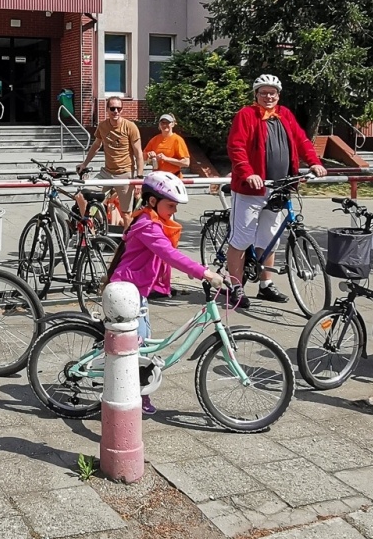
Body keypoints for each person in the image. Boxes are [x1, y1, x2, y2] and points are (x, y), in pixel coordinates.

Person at [106, 172, 228, 413]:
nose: (174, 211)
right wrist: (205, 273)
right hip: (126, 295)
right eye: (170, 205)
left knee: (141, 342)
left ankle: (132, 384)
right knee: (135, 348)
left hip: (136, 292)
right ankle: (133, 394)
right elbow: (170, 255)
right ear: (153, 202)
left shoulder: (152, 222)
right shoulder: (147, 226)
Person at [225, 75, 328, 302]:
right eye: (263, 93)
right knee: (242, 238)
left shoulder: (285, 115)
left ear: (278, 95)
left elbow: (302, 141)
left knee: (269, 236)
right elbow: (236, 146)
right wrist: (248, 172)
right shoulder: (247, 115)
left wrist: (314, 162)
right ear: (256, 95)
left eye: (272, 93)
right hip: (251, 189)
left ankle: (266, 284)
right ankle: (234, 288)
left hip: (280, 187)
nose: (268, 97)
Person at [77, 98, 143, 225]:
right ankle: (94, 229)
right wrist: (84, 164)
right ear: (107, 109)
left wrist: (139, 178)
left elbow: (138, 153)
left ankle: (127, 243)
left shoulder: (130, 127)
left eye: (119, 108)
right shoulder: (102, 126)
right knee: (82, 196)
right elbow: (96, 146)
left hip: (125, 173)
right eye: (112, 108)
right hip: (106, 173)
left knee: (126, 215)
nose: (116, 111)